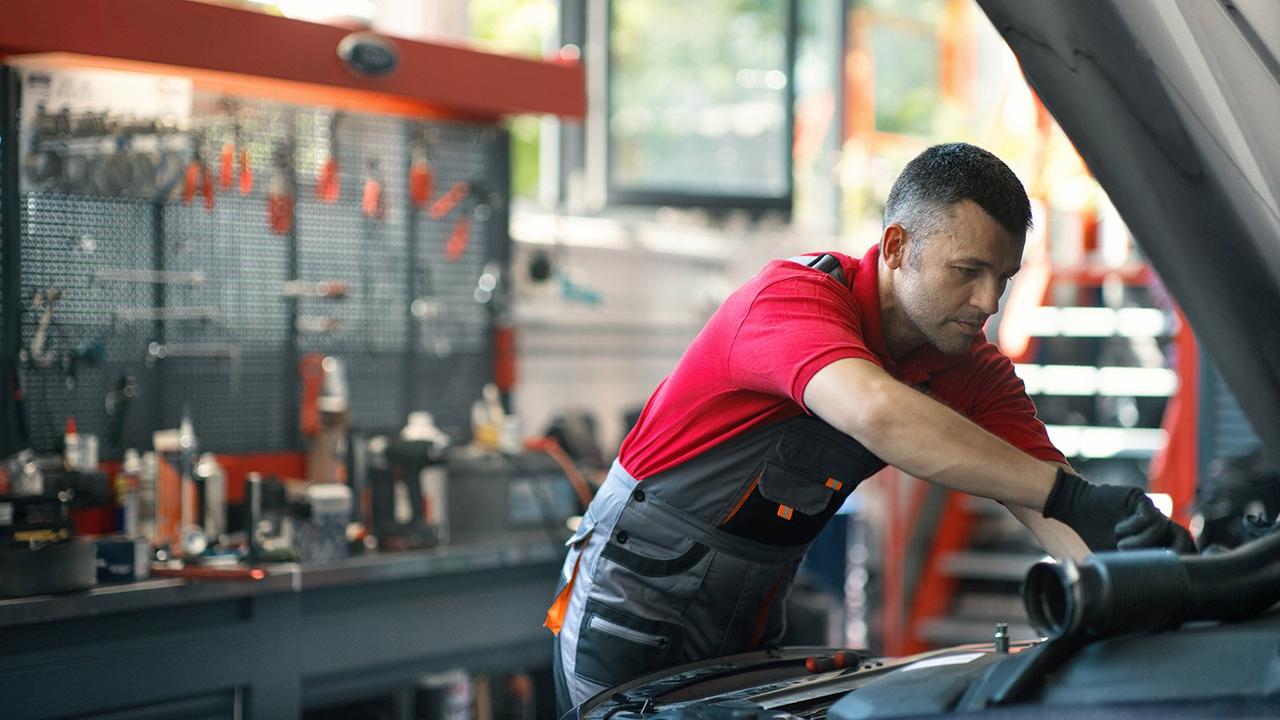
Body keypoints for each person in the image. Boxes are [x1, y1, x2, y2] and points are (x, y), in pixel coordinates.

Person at [544, 143, 1194, 712]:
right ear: (895, 247)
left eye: (1003, 278)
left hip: (754, 604)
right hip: (634, 593)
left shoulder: (971, 370)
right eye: (968, 271)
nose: (987, 304)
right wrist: (1069, 495)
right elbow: (875, 411)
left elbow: (1052, 507)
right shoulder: (791, 302)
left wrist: (1154, 580)